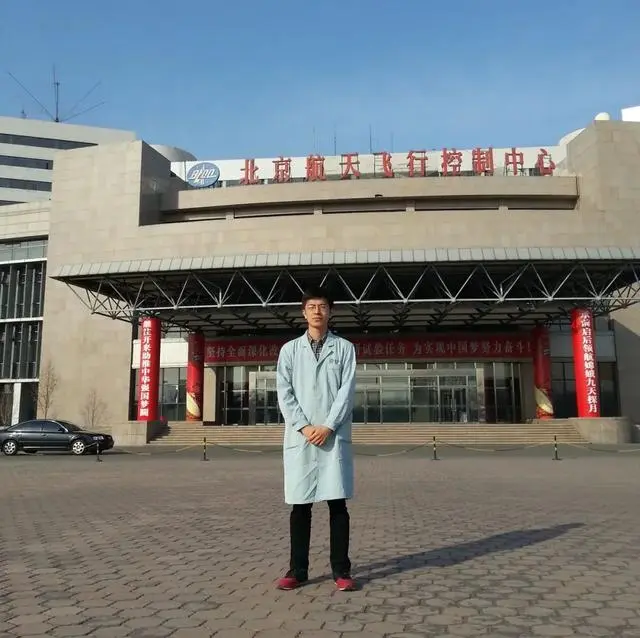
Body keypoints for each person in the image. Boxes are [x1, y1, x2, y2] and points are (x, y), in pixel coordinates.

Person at [275, 286, 357, 592]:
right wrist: (304, 426)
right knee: (300, 507)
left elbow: (346, 392)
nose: (317, 311)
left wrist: (328, 426)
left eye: (322, 306)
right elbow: (284, 392)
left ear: (330, 311)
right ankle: (298, 570)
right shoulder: (289, 350)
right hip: (303, 438)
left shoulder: (345, 348)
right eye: (311, 306)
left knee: (338, 506)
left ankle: (341, 570)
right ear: (303, 312)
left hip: (332, 437)